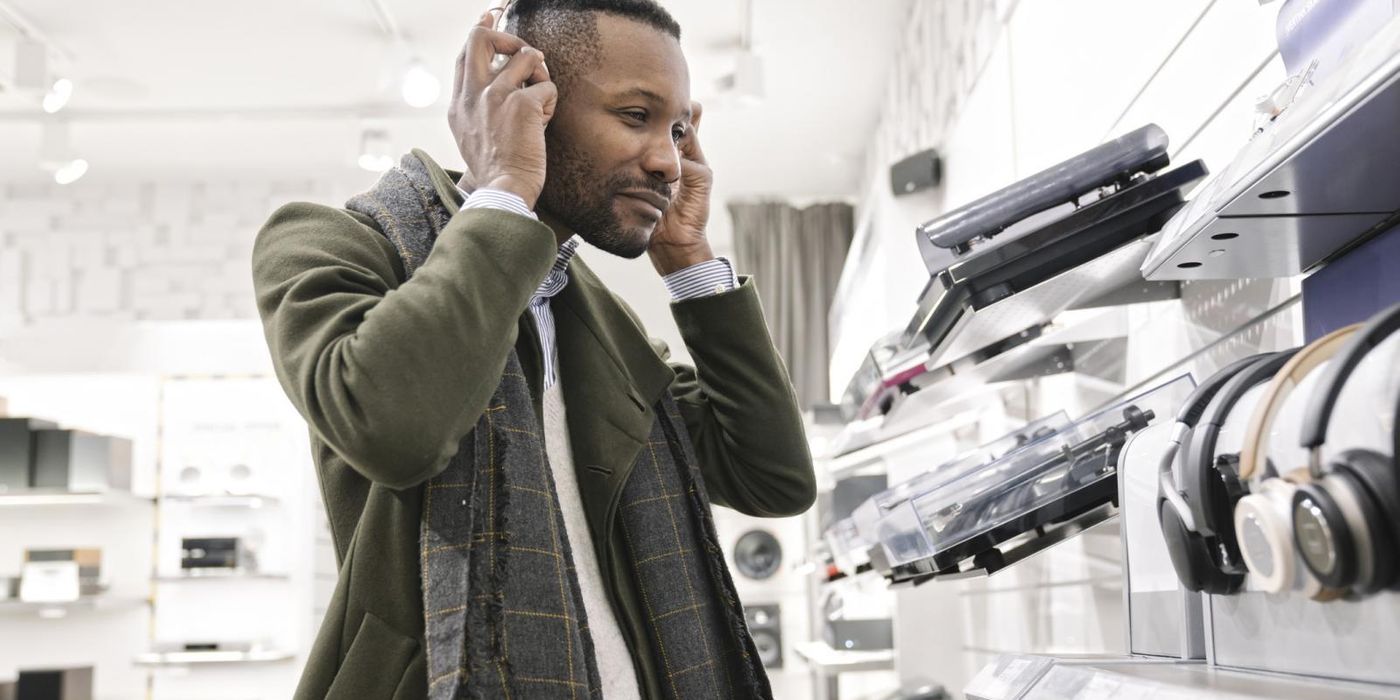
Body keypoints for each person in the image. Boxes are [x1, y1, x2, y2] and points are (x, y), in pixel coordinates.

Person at [250, 0, 815, 697]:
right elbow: (396, 430)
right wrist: (508, 185)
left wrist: (690, 260)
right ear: (527, 100)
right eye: (635, 116)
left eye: (677, 130)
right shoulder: (326, 244)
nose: (669, 161)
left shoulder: (602, 324)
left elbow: (771, 478)